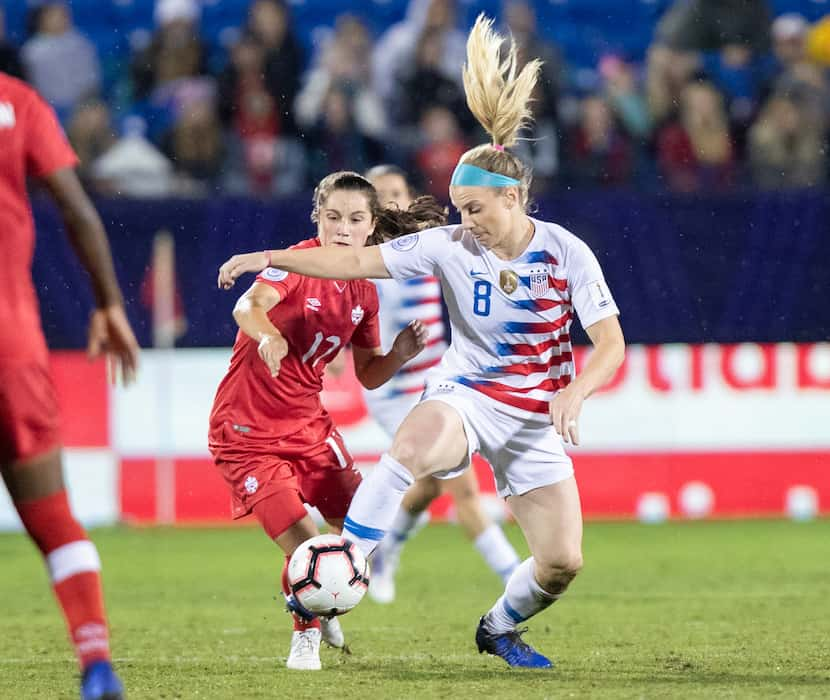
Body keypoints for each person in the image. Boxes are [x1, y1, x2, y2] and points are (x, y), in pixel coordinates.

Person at [217, 15, 625, 669]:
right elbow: (349, 263)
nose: (465, 223)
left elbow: (610, 343)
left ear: (515, 198)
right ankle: (347, 565)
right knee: (412, 446)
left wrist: (576, 391)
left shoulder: (567, 253)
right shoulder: (450, 245)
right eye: (459, 210)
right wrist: (269, 256)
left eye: (476, 210)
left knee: (560, 564)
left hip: (533, 419)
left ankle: (497, 626)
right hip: (465, 394)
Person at [208, 171, 446, 671]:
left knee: (360, 536)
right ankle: (306, 638)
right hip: (246, 434)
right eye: (332, 217)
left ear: (371, 226)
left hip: (311, 429)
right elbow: (247, 305)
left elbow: (370, 375)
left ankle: (325, 595)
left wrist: (399, 354)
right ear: (317, 218)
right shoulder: (294, 268)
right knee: (307, 546)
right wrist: (267, 335)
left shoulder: (363, 293)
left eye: (355, 219)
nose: (342, 228)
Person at [0, 71, 139, 699]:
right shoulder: (16, 99)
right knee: (53, 516)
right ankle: (96, 661)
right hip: (11, 339)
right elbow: (76, 207)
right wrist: (109, 304)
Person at [362, 164, 520, 604]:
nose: (390, 199)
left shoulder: (428, 245)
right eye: (379, 194)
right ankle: (516, 578)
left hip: (438, 382)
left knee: (429, 484)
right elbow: (350, 317)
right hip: (396, 389)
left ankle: (385, 551)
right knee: (463, 488)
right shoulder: (367, 260)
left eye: (396, 190)